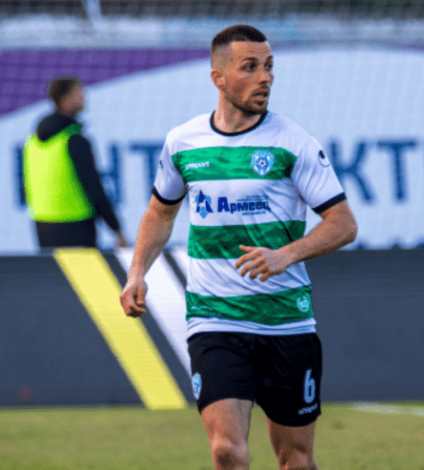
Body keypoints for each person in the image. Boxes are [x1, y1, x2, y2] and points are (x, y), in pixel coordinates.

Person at [119, 25, 357, 470]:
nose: (265, 77)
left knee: (297, 460)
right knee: (226, 450)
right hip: (214, 319)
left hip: (286, 322)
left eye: (269, 66)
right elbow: (160, 214)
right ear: (219, 77)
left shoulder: (293, 143)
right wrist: (137, 273)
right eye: (250, 67)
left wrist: (285, 255)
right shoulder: (183, 143)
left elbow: (343, 224)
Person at [22, 75, 127, 250]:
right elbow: (94, 188)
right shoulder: (74, 141)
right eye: (79, 93)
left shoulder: (32, 141)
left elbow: (27, 185)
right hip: (77, 225)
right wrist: (116, 229)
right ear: (65, 99)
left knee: (52, 269)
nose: (84, 98)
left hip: (43, 224)